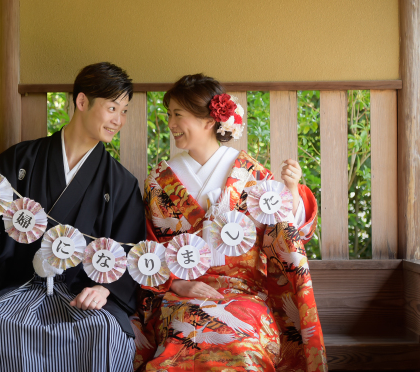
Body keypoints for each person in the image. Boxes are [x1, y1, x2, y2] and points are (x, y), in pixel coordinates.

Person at [0, 62, 146, 371]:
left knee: (105, 333)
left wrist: (104, 289)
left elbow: (131, 250)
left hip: (82, 297)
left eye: (124, 111)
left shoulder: (121, 183)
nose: (119, 120)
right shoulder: (21, 160)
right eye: (112, 108)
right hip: (23, 288)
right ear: (82, 102)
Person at [133, 74, 327, 372]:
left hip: (245, 292)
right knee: (185, 334)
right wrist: (179, 284)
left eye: (178, 114)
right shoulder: (158, 181)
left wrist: (290, 193)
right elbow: (148, 248)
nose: (170, 123)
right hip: (180, 294)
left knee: (242, 344)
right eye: (169, 114)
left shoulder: (252, 175)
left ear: (209, 120)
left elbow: (285, 235)